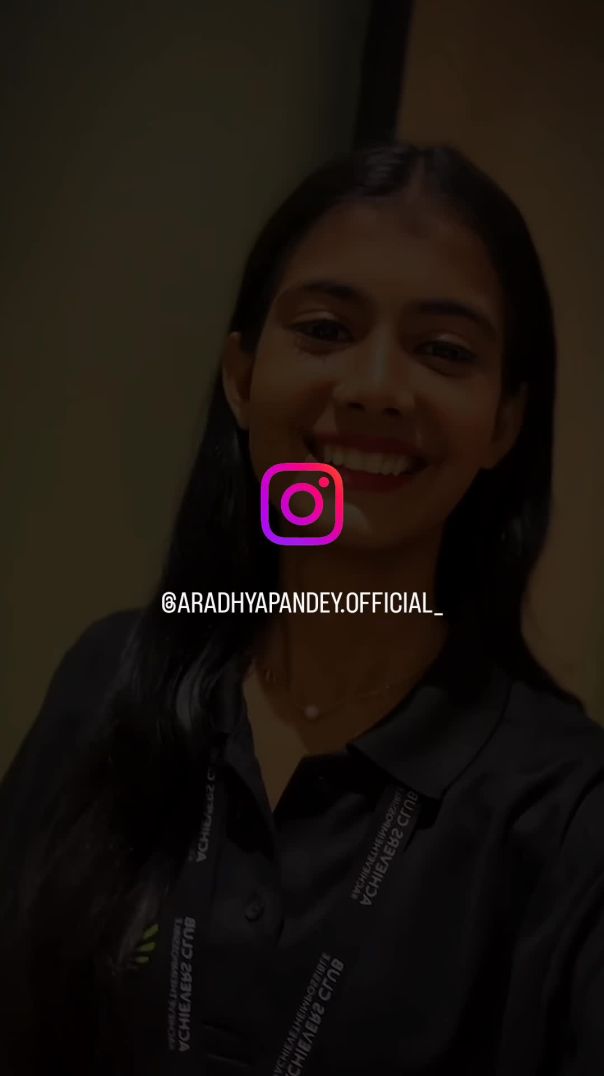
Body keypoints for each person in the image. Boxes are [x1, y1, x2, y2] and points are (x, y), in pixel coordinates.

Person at [2, 141, 604, 1076]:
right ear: (241, 378)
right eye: (325, 329)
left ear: (504, 420)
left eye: (444, 350)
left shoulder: (568, 814)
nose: (375, 388)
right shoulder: (110, 680)